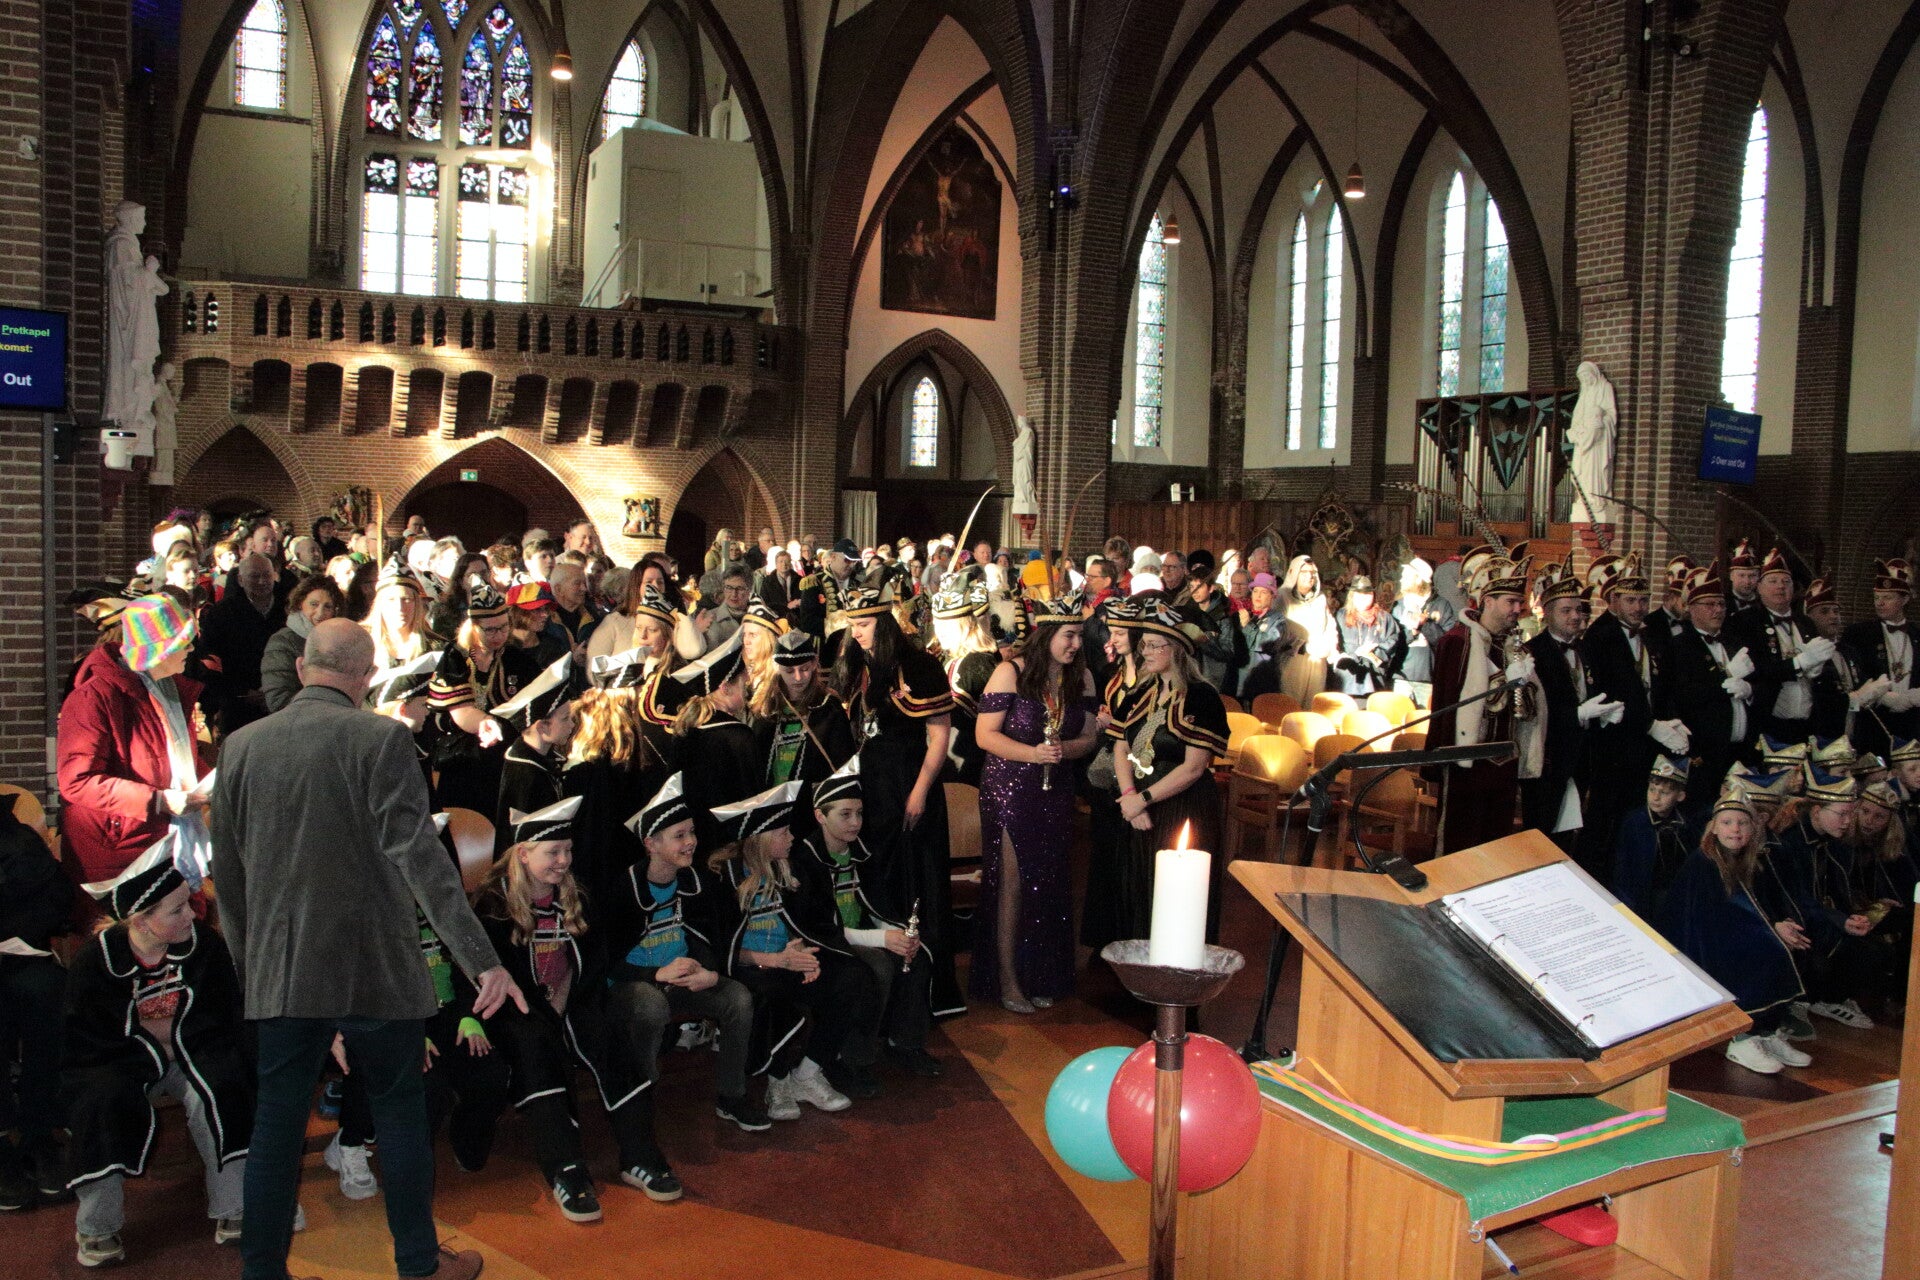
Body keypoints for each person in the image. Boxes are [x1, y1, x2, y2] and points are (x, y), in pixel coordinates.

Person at [210, 620, 520, 1280]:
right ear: (367, 677)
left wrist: (251, 970)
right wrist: (481, 959)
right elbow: (422, 860)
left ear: (302, 669)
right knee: (401, 1114)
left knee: (276, 1126)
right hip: (375, 968)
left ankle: (261, 1271)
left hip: (283, 973)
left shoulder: (239, 747)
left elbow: (229, 883)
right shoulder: (382, 739)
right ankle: (418, 1264)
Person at [63, 839, 265, 1267]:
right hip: (119, 1061)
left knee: (223, 1087)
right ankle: (97, 1227)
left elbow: (224, 1017)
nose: (192, 914)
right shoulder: (96, 962)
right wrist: (155, 1043)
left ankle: (235, 1206)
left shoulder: (203, 947)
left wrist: (174, 1039)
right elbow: (88, 1039)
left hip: (193, 1053)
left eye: (188, 903)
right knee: (101, 1101)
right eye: (177, 910)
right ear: (141, 920)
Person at [476, 798, 658, 1221]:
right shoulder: (492, 905)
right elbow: (492, 972)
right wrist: (544, 1011)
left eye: (568, 851)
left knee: (608, 1038)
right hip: (517, 1010)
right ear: (523, 854)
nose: (564, 861)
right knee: (535, 1049)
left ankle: (640, 1154)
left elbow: (594, 960)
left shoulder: (578, 898)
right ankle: (566, 1169)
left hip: (574, 999)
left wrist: (566, 1000)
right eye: (553, 852)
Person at [324, 813, 513, 1203]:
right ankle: (354, 1141)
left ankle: (465, 1140)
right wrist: (410, 1033)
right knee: (425, 1084)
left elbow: (463, 970)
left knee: (490, 1070)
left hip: (444, 1014)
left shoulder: (448, 915)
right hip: (389, 1021)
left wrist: (469, 1016)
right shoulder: (366, 919)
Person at [606, 775, 767, 1195]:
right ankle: (639, 1104)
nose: (691, 842)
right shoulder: (622, 889)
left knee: (736, 997)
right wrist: (653, 975)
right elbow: (604, 962)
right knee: (650, 1006)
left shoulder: (697, 883)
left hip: (684, 979)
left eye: (692, 832)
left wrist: (709, 971)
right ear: (651, 844)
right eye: (679, 835)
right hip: (634, 985)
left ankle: (731, 1095)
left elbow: (712, 936)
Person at [700, 781, 878, 1112]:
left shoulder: (789, 869)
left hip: (787, 958)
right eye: (783, 832)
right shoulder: (724, 877)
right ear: (761, 837)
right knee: (775, 991)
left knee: (852, 975)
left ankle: (807, 1073)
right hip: (749, 966)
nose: (792, 837)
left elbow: (809, 923)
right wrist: (777, 960)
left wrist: (803, 954)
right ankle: (777, 1080)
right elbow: (720, 947)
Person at [833, 585, 963, 1018]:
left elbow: (939, 737)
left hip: (910, 786)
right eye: (852, 625)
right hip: (871, 793)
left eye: (864, 624)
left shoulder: (919, 665)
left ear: (884, 624)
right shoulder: (858, 665)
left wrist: (920, 791)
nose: (857, 633)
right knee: (879, 881)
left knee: (917, 883)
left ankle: (924, 993)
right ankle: (884, 993)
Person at [972, 596, 1100, 1012]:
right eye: (1069, 635)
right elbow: (984, 736)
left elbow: (1089, 738)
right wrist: (1033, 754)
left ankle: (1042, 975)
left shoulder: (1082, 679)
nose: (1076, 644)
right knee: (1013, 883)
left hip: (1056, 788)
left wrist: (1064, 750)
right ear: (1046, 635)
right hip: (1010, 789)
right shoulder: (1009, 671)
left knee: (1049, 882)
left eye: (1079, 636)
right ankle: (1008, 980)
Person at [789, 759, 940, 1077]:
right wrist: (882, 938)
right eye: (844, 814)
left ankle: (905, 1043)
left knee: (917, 954)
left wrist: (898, 935)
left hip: (862, 933)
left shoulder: (861, 851)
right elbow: (818, 927)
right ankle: (852, 1058)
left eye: (859, 813)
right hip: (830, 943)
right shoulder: (805, 858)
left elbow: (876, 904)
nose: (855, 822)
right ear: (820, 816)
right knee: (877, 966)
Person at [61, 593, 215, 889]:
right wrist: (158, 800)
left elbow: (174, 757)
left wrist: (211, 783)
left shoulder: (168, 688)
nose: (192, 648)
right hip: (120, 850)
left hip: (163, 837)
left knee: (184, 911)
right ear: (159, 649)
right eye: (183, 642)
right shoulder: (94, 697)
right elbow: (77, 781)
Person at [1654, 783, 1808, 1076]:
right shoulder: (1704, 862)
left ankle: (1766, 1030)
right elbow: (1714, 914)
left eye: (1742, 823)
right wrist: (1770, 930)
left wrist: (1778, 923)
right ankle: (1743, 1038)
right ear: (1713, 827)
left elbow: (1759, 902)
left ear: (1753, 828)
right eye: (1726, 823)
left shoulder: (1750, 860)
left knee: (1781, 949)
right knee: (1764, 952)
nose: (1734, 830)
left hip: (1730, 931)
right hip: (1698, 940)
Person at [1111, 605, 1230, 942]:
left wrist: (1144, 799)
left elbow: (1193, 767)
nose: (1144, 652)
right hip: (1138, 807)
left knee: (1178, 898)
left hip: (1182, 806)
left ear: (1176, 649)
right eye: (1143, 645)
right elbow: (1120, 747)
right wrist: (1130, 797)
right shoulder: (1141, 691)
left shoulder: (1201, 696)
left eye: (1153, 645)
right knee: (1140, 889)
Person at [1761, 768, 1904, 1029]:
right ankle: (1823, 999)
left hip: (1824, 915)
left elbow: (1840, 887)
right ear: (1817, 811)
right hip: (1799, 918)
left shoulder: (1832, 840)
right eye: (1842, 814)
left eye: (1850, 813)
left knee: (1879, 947)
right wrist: (1841, 921)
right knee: (1862, 952)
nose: (1848, 821)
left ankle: (1833, 996)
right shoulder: (1792, 842)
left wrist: (1855, 915)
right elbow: (1797, 898)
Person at [1580, 553, 1689, 879]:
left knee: (1636, 817)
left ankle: (1628, 879)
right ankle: (1597, 880)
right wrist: (1649, 724)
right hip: (1614, 746)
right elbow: (1610, 694)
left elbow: (1662, 682)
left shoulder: (1649, 633)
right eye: (1630, 600)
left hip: (1645, 746)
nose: (1639, 607)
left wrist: (1670, 719)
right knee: (1606, 820)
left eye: (1643, 600)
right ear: (1614, 600)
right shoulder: (1600, 636)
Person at [1429, 550, 1536, 852]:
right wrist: (1506, 681)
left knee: (1496, 848)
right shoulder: (1457, 641)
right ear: (1488, 601)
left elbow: (1525, 710)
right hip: (1467, 762)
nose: (1518, 609)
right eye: (1510, 602)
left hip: (1504, 760)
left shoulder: (1515, 646)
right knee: (1459, 846)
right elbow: (1452, 707)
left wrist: (1527, 688)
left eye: (1520, 602)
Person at [0, 794, 73, 1210]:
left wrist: (21, 936)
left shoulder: (16, 835)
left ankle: (39, 1131)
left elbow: (55, 896)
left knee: (52, 994)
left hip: (20, 952)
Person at [1517, 561, 1615, 858]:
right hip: (1549, 759)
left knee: (1571, 837)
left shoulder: (1586, 649)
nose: (1575, 616)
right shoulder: (1533, 652)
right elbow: (1533, 711)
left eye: (1578, 610)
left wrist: (1604, 714)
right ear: (1547, 614)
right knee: (1541, 835)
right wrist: (1576, 715)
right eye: (1566, 611)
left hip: (1582, 756)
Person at [427, 584, 540, 816]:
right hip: (464, 758)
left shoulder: (517, 658)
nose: (499, 635)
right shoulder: (456, 657)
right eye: (490, 630)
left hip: (506, 755)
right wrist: (486, 722)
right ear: (473, 627)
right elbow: (460, 711)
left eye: (504, 627)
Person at [1725, 548, 1832, 748]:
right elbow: (1756, 670)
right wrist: (1799, 663)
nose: (1780, 586)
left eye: (1786, 581)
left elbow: (1825, 666)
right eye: (1773, 581)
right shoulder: (1746, 621)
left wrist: (1818, 669)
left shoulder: (1805, 623)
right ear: (1759, 587)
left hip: (1807, 724)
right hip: (1768, 724)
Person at [1667, 562, 1756, 798]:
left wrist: (1749, 690)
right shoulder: (1680, 646)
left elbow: (1758, 681)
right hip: (1705, 753)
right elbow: (1686, 695)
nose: (1718, 610)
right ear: (1691, 609)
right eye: (1710, 604)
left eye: (1721, 604)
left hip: (1739, 751)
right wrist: (1726, 677)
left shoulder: (1734, 641)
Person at [750, 628, 856, 824]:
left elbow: (843, 763)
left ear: (815, 663)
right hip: (771, 807)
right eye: (789, 671)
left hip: (812, 809)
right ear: (777, 667)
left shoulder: (828, 707)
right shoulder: (766, 710)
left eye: (804, 669)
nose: (798, 678)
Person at [492, 656, 577, 851]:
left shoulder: (544, 760)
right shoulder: (525, 774)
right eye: (565, 719)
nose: (572, 725)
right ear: (542, 727)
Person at [196, 553, 284, 735]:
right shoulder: (221, 614)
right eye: (254, 576)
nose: (262, 581)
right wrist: (242, 692)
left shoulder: (287, 609)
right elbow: (210, 661)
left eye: (267, 575)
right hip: (238, 705)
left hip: (282, 702)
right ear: (241, 580)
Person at [1841, 557, 1918, 758]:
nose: (1880, 603)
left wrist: (1913, 697)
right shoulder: (1858, 634)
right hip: (1873, 722)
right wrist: (1882, 696)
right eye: (1877, 597)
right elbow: (1851, 674)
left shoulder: (1917, 635)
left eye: (1888, 597)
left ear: (1905, 599)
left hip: (1914, 724)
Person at [929, 570, 999, 786]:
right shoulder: (949, 657)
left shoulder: (978, 663)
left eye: (946, 626)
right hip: (950, 758)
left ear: (965, 625)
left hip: (973, 763)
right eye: (937, 625)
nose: (940, 632)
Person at [1611, 755, 1697, 918]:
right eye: (1652, 790)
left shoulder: (1685, 826)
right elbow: (1623, 866)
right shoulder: (1635, 822)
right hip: (1638, 898)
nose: (1656, 797)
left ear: (1680, 796)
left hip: (1671, 897)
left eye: (1664, 792)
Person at [259, 576, 344, 714]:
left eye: (328, 606)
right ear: (300, 603)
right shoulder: (282, 642)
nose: (320, 613)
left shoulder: (338, 641)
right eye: (314, 604)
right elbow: (278, 700)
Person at [1330, 575, 1407, 698]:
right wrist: (1355, 655)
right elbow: (1334, 642)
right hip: (1348, 675)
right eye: (1359, 594)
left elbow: (1393, 640)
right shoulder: (1341, 615)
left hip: (1374, 675)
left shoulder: (1384, 618)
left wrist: (1374, 651)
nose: (1364, 598)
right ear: (1352, 596)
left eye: (1368, 594)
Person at [1392, 558, 1454, 708]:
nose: (1401, 579)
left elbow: (1447, 644)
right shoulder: (1399, 606)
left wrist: (1425, 624)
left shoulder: (1442, 606)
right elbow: (1393, 640)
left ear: (1419, 580)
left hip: (1428, 678)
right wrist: (1412, 632)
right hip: (1401, 676)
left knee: (1425, 720)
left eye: (1406, 576)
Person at [1276, 557, 1337, 704]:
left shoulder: (1320, 598)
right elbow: (1277, 628)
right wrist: (1301, 646)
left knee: (1314, 704)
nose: (1309, 576)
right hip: (1293, 659)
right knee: (1290, 704)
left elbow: (1330, 626)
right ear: (1294, 572)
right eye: (1304, 572)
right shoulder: (1282, 596)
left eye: (1312, 572)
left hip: (1317, 660)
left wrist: (1331, 649)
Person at [1234, 573, 1288, 698]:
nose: (1258, 596)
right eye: (1255, 591)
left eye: (1263, 592)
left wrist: (1247, 626)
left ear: (1272, 596)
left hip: (1263, 684)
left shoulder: (1278, 620)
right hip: (1241, 681)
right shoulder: (1247, 616)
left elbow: (1266, 644)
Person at [1725, 538, 1762, 618]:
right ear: (1731, 576)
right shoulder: (1721, 604)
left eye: (1752, 576)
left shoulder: (1766, 604)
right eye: (1741, 575)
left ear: (1758, 576)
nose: (1747, 581)